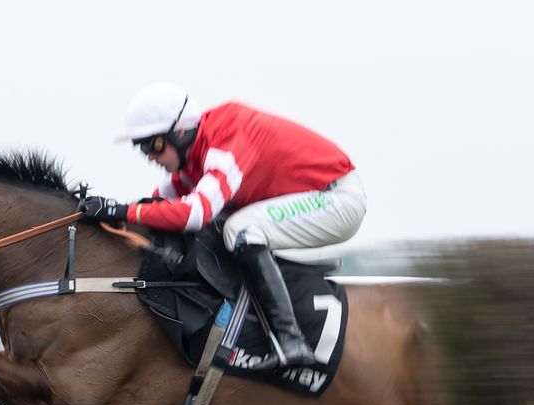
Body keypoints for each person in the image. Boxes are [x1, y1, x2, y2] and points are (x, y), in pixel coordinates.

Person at [81, 82, 367, 370]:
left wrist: (125, 211)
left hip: (336, 200)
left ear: (180, 132)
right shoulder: (195, 154)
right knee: (227, 227)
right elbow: (156, 203)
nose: (149, 156)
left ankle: (291, 339)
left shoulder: (226, 140)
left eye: (153, 145)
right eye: (141, 148)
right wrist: (109, 212)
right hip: (312, 197)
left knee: (239, 229)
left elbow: (194, 213)